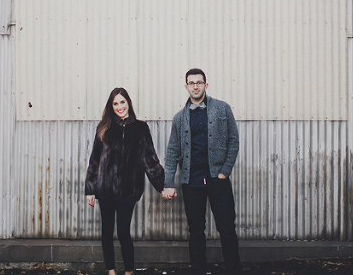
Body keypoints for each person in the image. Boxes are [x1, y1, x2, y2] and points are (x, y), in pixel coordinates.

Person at [162, 68, 241, 274]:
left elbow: (233, 140)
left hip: (218, 180)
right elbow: (172, 151)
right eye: (191, 83)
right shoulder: (179, 118)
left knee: (227, 229)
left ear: (206, 85)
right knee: (196, 231)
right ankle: (198, 270)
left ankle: (234, 270)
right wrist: (168, 182)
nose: (195, 86)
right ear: (186, 86)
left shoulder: (222, 109)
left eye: (199, 82)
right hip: (192, 181)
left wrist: (225, 171)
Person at [85, 87, 165, 275]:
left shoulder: (141, 128)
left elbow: (150, 159)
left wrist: (163, 185)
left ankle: (129, 271)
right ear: (111, 106)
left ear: (128, 102)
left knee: (123, 232)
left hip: (129, 190)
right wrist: (90, 189)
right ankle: (111, 271)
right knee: (107, 232)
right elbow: (94, 160)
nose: (120, 107)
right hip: (105, 190)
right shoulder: (104, 128)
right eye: (115, 103)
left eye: (122, 102)